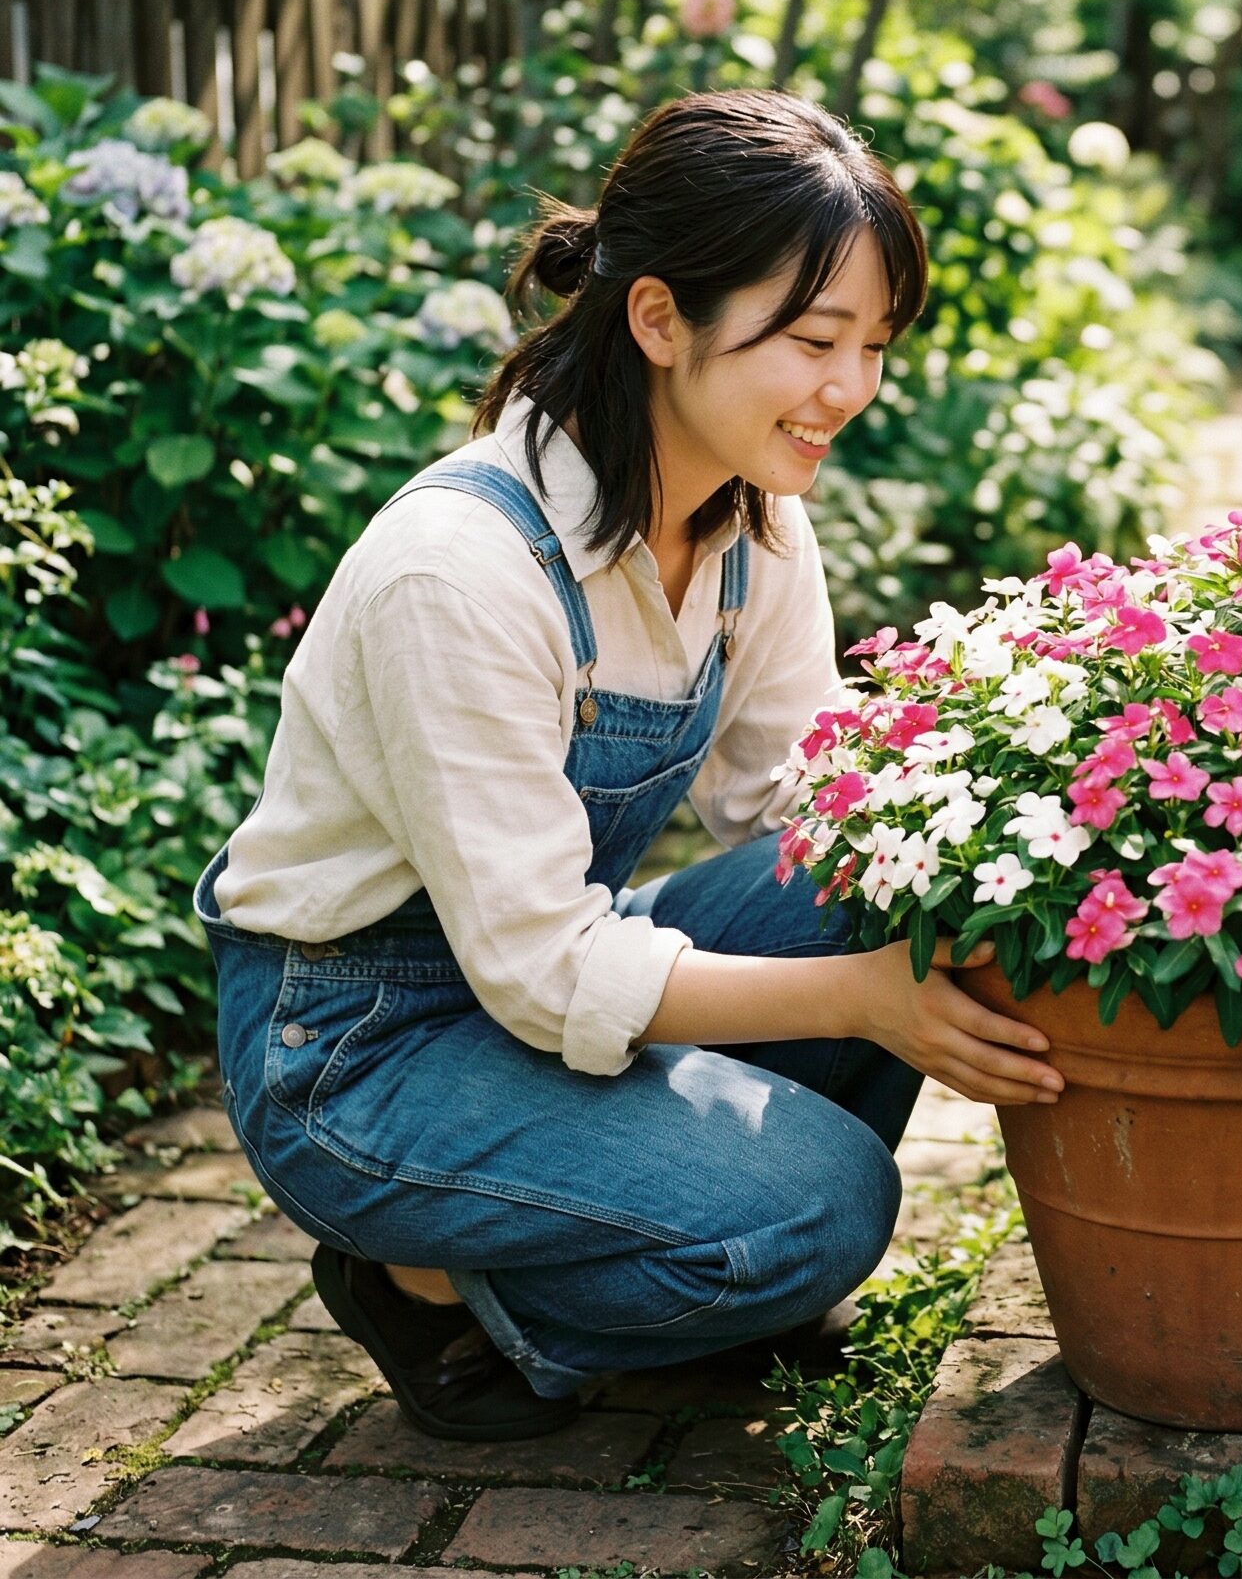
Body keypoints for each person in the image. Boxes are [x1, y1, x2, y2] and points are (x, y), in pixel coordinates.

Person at [195, 91, 1063, 1442]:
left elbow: (805, 805)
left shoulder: (751, 524)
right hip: (355, 1050)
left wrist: (1020, 796)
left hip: (530, 979)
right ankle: (428, 1286)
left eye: (874, 346)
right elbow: (541, 965)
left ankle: (675, 1235)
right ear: (660, 321)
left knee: (896, 864)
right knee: (822, 1211)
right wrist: (856, 1003)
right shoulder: (461, 573)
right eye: (816, 340)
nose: (852, 389)